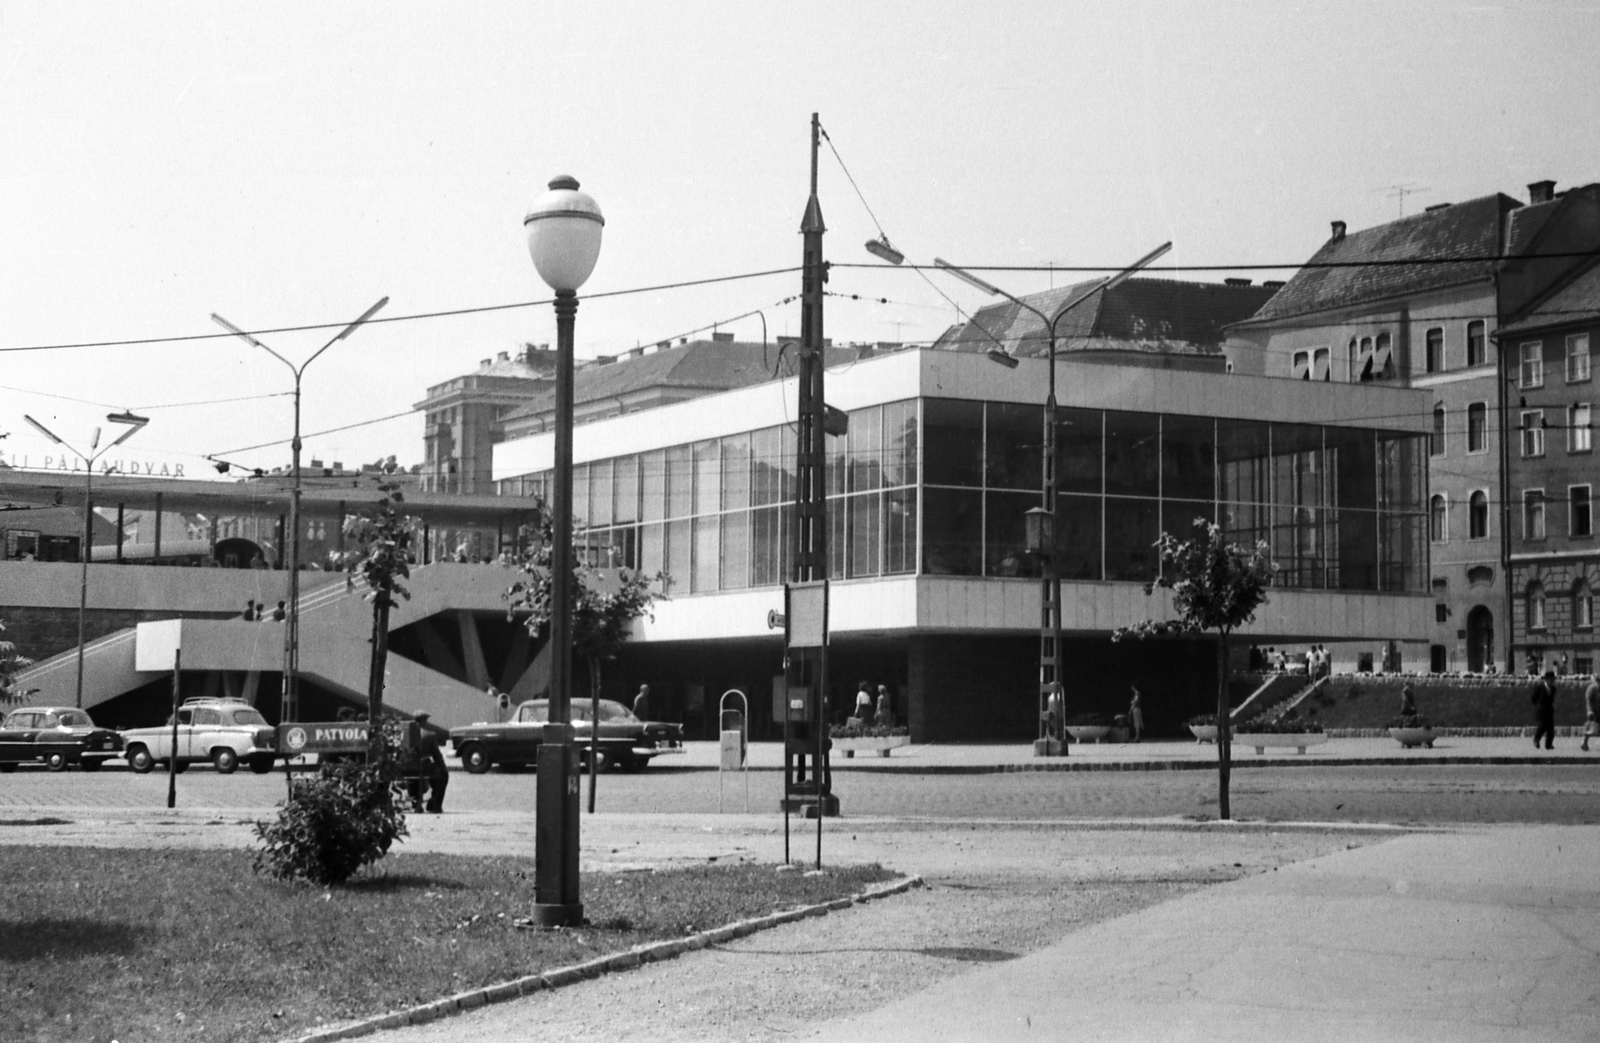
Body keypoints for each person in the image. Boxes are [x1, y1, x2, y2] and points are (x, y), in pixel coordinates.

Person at [410, 712, 449, 813]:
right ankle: (434, 804)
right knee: (443, 776)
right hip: (422, 768)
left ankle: (415, 799)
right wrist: (443, 768)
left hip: (404, 769)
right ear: (425, 721)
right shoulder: (430, 735)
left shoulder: (404, 733)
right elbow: (437, 755)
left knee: (413, 776)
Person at [1531, 670, 1557, 750]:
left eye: (1553, 680)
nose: (1552, 681)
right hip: (1541, 711)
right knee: (1542, 726)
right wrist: (1539, 705)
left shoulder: (1553, 689)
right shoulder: (1539, 687)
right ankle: (1536, 740)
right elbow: (1533, 698)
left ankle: (1548, 744)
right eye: (1551, 680)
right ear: (1547, 680)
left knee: (1550, 728)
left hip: (1549, 710)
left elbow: (1551, 699)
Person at [1583, 675, 1599, 753]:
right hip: (1593, 712)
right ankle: (1584, 742)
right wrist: (1589, 711)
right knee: (1594, 731)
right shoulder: (1591, 689)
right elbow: (1588, 700)